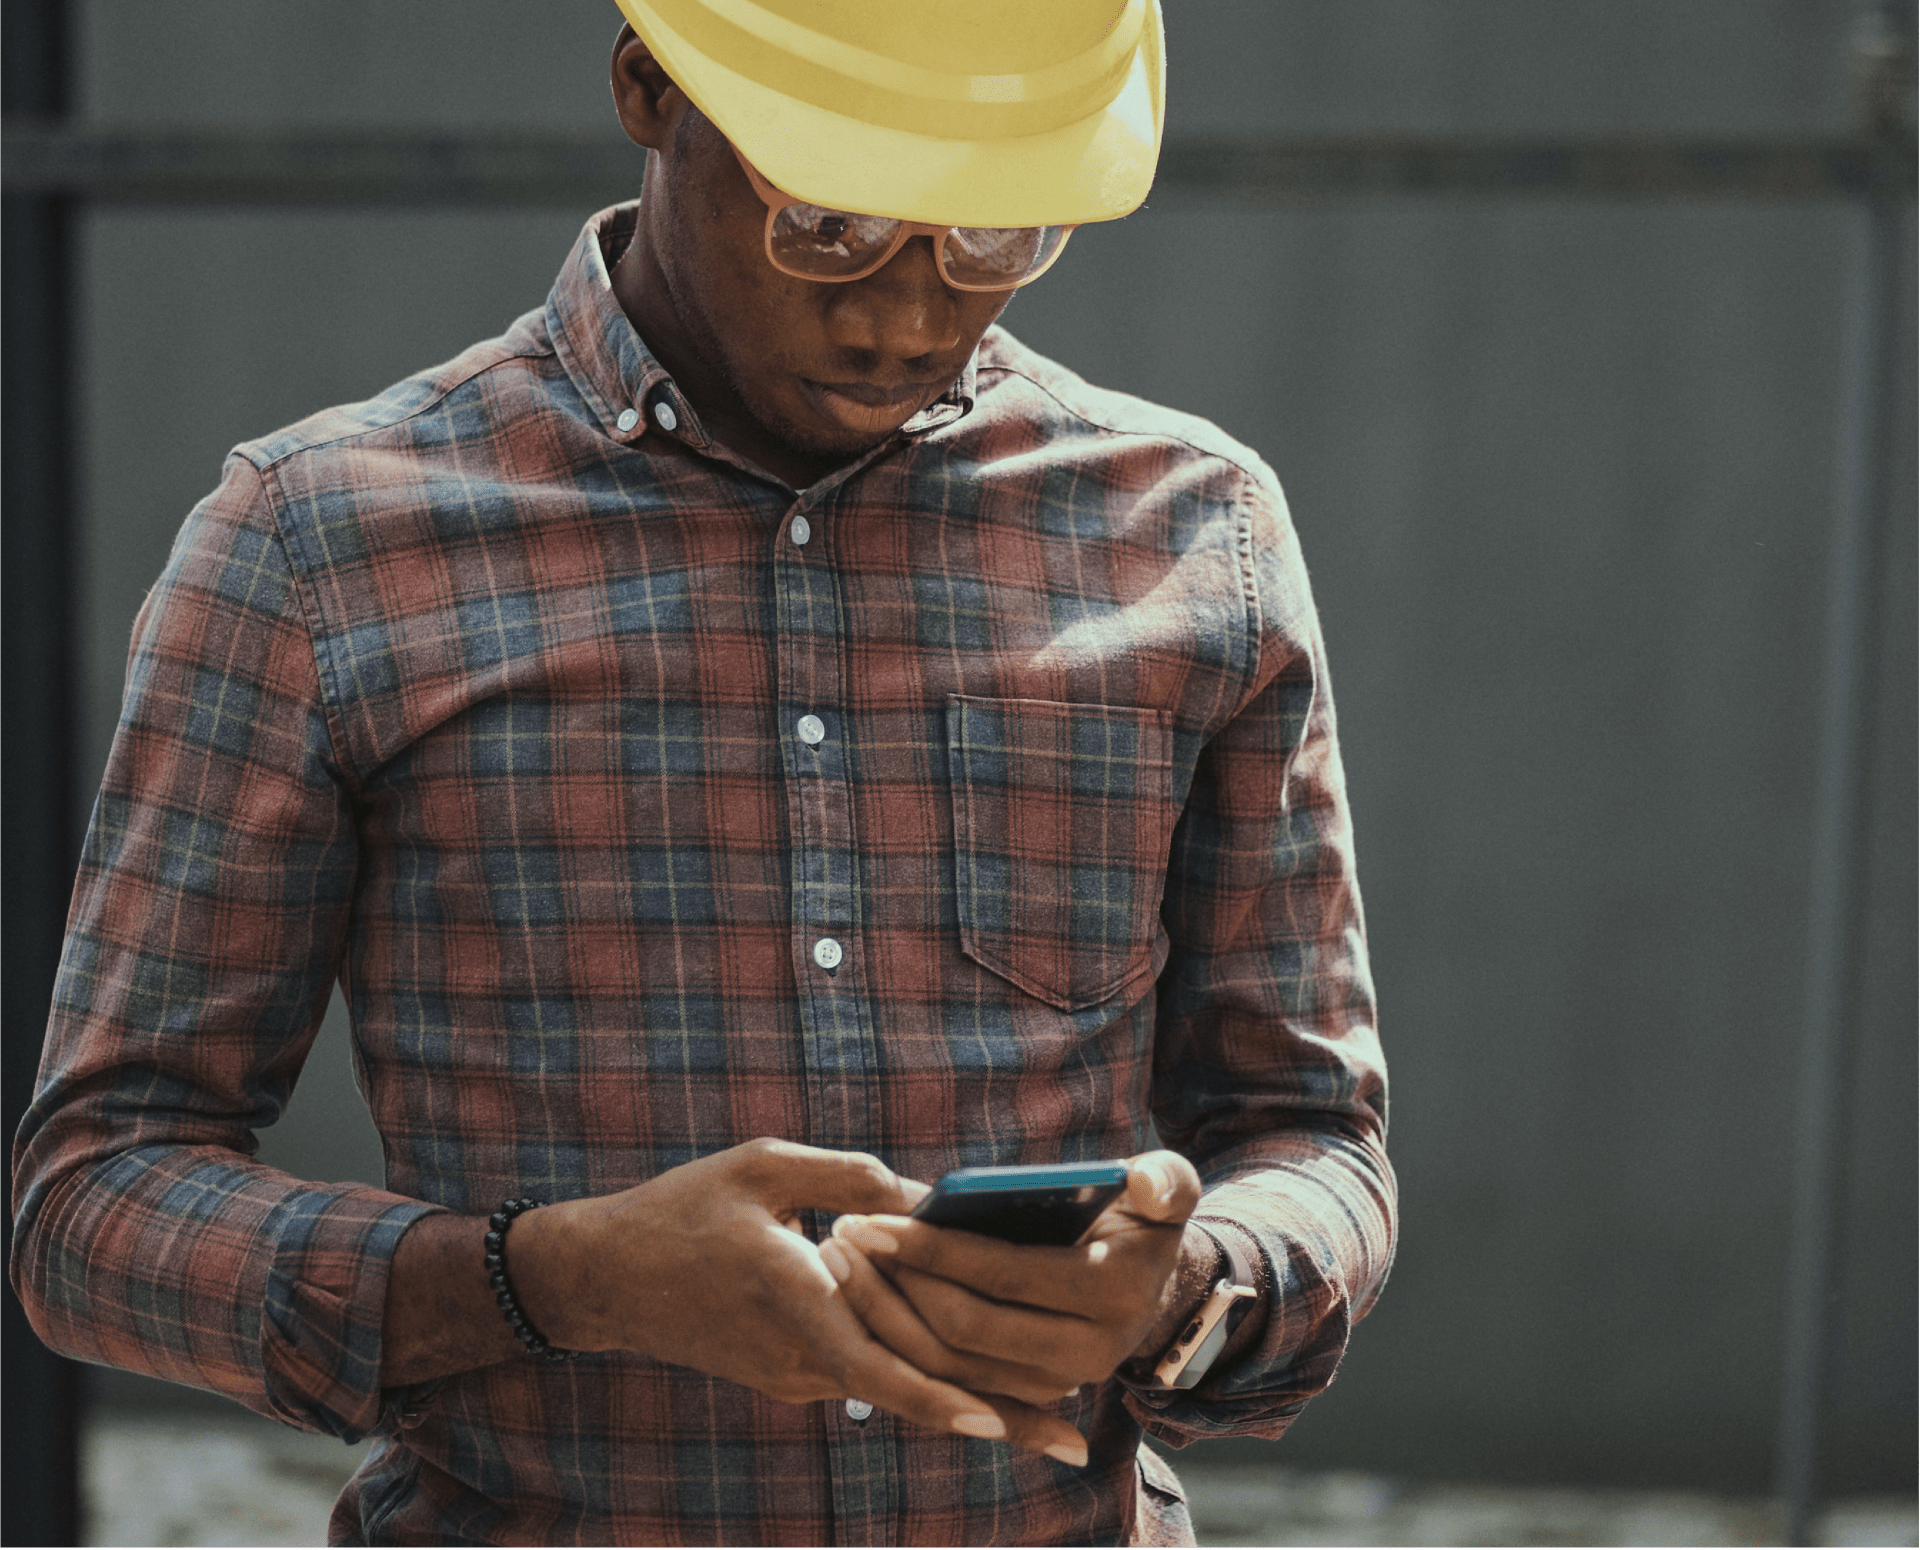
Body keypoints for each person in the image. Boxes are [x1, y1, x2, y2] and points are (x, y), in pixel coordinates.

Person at [10, 3, 1394, 1544]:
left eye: (995, 231)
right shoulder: (318, 552)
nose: (907, 308)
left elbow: (1308, 1134)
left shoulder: (1196, 539)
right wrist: (555, 1279)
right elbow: (92, 1200)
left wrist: (1187, 1288)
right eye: (831, 220)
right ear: (649, 88)